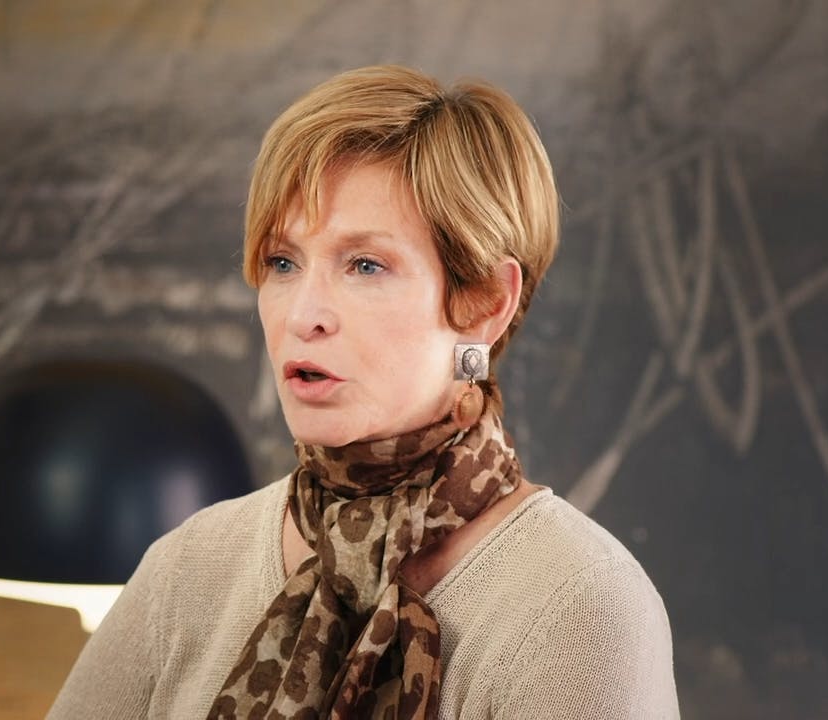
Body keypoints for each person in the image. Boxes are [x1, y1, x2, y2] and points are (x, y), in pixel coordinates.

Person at [47, 65, 678, 719]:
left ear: (486, 302)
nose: (303, 315)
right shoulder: (189, 567)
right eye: (282, 262)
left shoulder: (580, 603)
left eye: (365, 265)